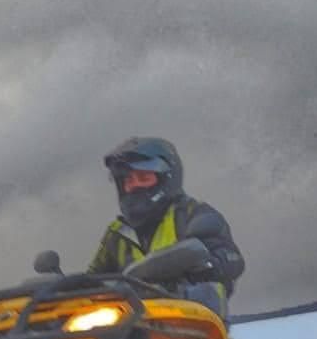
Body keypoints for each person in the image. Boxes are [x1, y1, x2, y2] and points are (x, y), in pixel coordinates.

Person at [88, 137, 245, 320]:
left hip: (192, 325)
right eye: (128, 180)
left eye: (144, 178)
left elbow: (233, 261)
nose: (134, 185)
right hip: (131, 328)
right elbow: (94, 278)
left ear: (166, 179)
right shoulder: (118, 232)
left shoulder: (194, 214)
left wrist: (206, 264)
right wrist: (66, 286)